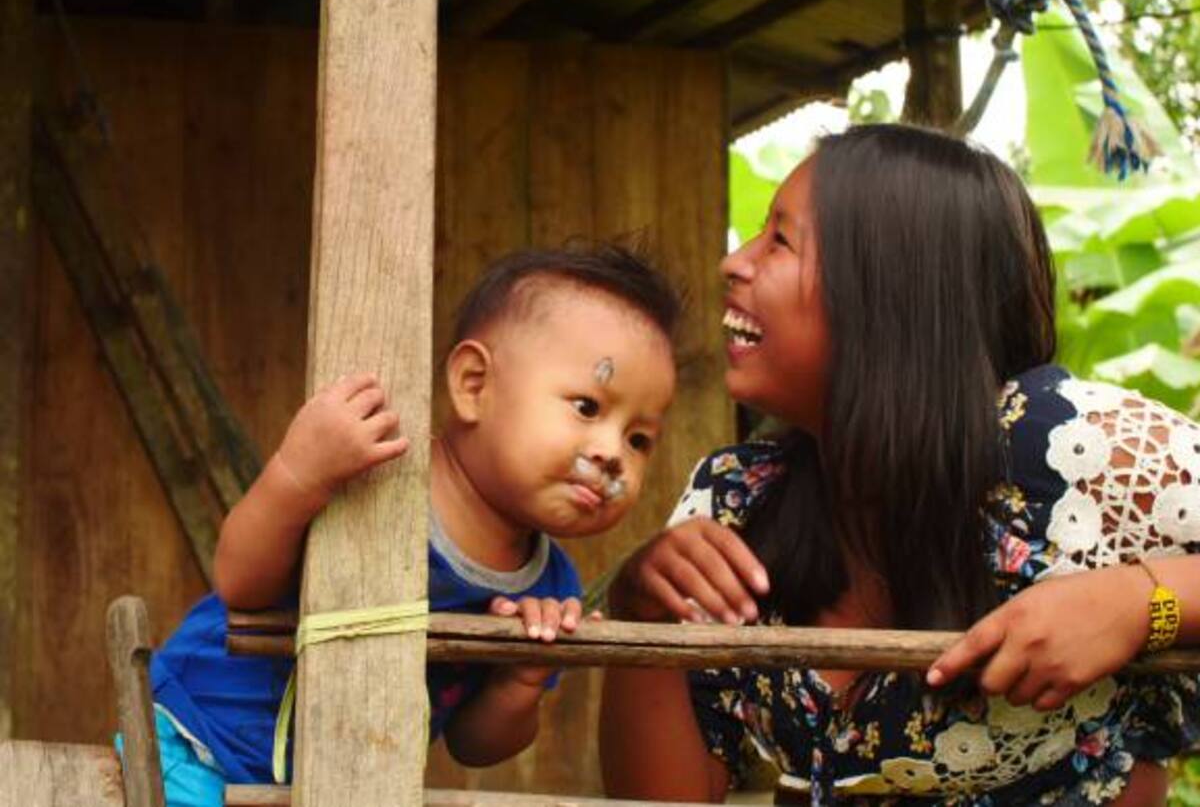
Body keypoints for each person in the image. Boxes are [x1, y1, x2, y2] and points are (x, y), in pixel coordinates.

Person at [599, 124, 1200, 806]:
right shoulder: (737, 500)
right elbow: (667, 797)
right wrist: (640, 614)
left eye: (780, 241)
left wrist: (1141, 604)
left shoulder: (1073, 449)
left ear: (889, 292)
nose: (732, 263)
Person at [144, 244, 680, 806]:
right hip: (197, 744)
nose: (613, 453)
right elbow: (240, 582)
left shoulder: (550, 591)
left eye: (639, 438)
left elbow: (474, 745)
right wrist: (298, 475)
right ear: (474, 385)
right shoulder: (374, 479)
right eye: (588, 408)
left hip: (338, 788)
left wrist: (520, 680)